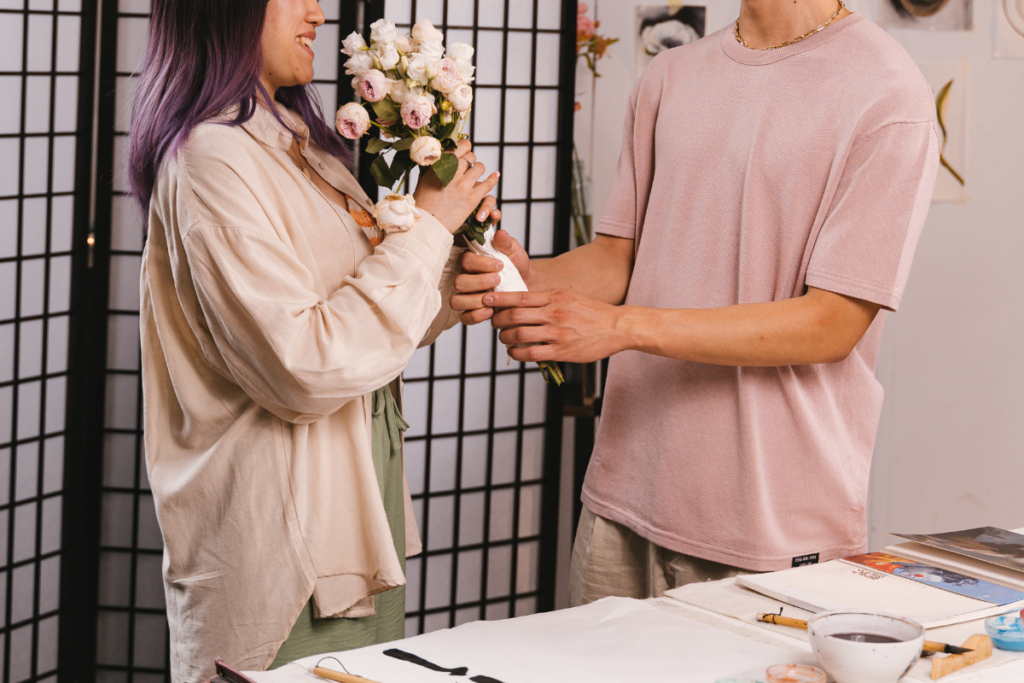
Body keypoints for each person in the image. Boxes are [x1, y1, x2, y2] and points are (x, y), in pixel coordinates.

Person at [454, 0, 940, 604]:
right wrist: (527, 275)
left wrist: (620, 327)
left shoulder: (889, 96)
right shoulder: (670, 75)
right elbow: (618, 259)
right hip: (624, 497)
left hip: (770, 524)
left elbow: (831, 324)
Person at [130, 0, 499, 678]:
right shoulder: (213, 160)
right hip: (287, 546)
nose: (319, 12)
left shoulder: (296, 140)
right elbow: (303, 366)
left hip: (357, 512)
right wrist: (425, 230)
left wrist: (447, 274)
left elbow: (349, 314)